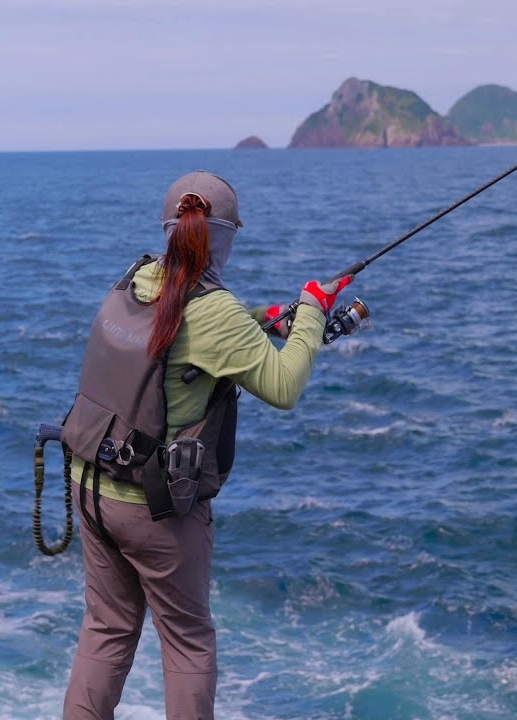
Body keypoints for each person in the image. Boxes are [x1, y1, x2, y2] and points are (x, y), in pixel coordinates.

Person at [61, 170, 350, 719]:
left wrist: (262, 319)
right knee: (188, 641)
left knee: (107, 627)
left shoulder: (139, 278)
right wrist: (311, 309)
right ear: (225, 236)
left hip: (91, 485)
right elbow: (284, 386)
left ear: (171, 231)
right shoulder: (214, 311)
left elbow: (192, 324)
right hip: (154, 509)